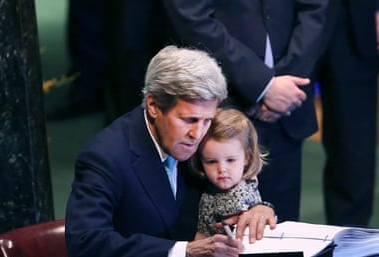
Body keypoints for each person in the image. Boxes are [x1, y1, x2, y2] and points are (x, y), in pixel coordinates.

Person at [58, 46, 277, 257]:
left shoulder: (194, 136)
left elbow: (228, 186)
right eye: (189, 120)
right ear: (153, 105)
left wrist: (259, 207)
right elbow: (86, 243)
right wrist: (183, 253)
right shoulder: (107, 156)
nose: (198, 133)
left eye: (206, 121)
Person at [162, 0, 328, 223]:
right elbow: (192, 16)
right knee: (218, 239)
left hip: (288, 103)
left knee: (283, 236)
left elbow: (315, 8)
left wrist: (283, 87)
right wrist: (263, 85)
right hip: (219, 102)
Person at [313, 0, 379, 227]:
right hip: (281, 15)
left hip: (356, 15)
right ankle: (267, 235)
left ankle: (349, 243)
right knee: (273, 123)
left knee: (353, 141)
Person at [190, 108, 269, 239]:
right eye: (211, 161)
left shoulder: (239, 198)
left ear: (247, 157)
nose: (222, 169)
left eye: (230, 160)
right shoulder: (209, 190)